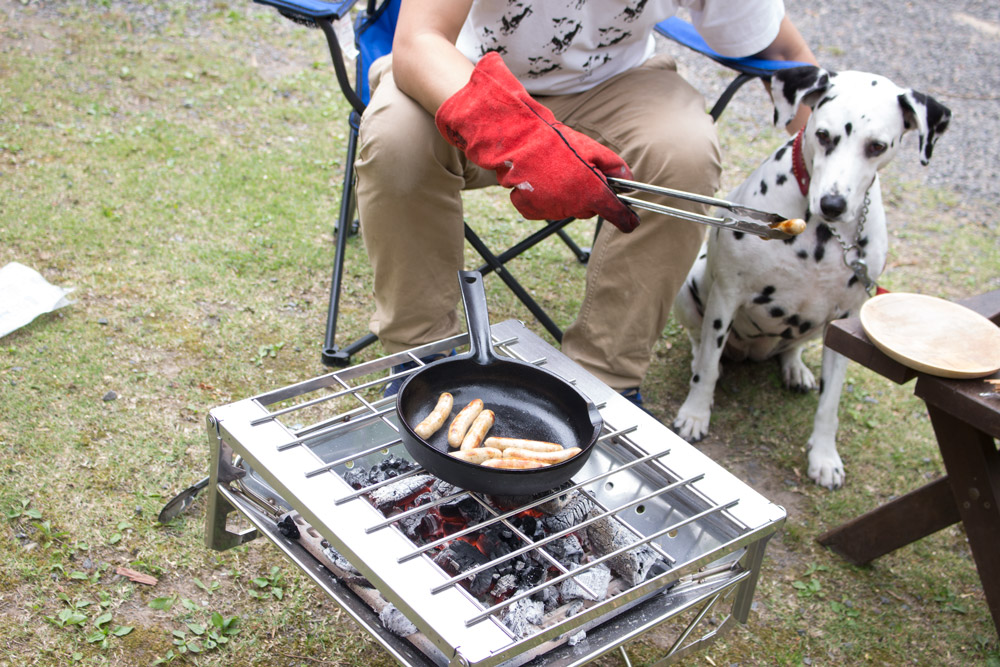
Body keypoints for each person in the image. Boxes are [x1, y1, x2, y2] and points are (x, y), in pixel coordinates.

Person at [356, 0, 818, 403]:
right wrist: (524, 135)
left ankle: (604, 381)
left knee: (685, 152)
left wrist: (830, 166)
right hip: (467, 75)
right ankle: (423, 359)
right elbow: (420, 40)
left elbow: (781, 53)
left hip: (616, 84)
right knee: (397, 138)